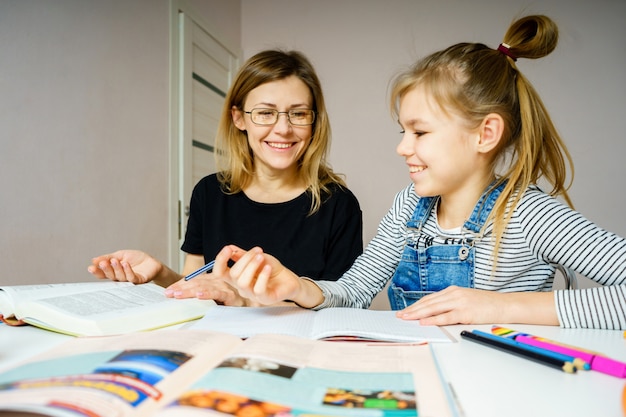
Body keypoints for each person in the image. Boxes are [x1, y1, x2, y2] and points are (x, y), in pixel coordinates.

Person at [214, 15, 626, 329]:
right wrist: (297, 287)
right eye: (403, 131)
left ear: (486, 134)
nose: (402, 147)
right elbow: (355, 291)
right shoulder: (409, 207)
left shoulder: (530, 216)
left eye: (420, 132)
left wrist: (495, 305)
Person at [88, 50, 363, 305]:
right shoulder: (209, 193)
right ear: (238, 118)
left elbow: (342, 302)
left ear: (314, 122)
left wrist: (243, 301)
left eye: (299, 114)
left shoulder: (339, 205)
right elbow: (197, 286)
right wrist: (159, 273)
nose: (283, 128)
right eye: (265, 113)